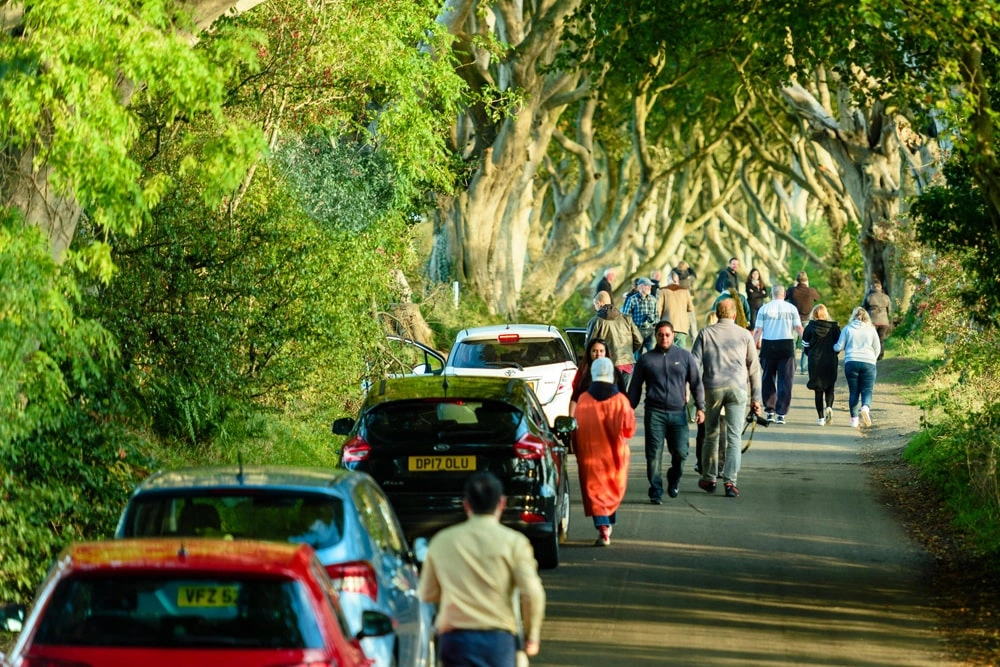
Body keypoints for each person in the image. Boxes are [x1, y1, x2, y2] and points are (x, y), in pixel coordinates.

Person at [419, 471, 546, 667]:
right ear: (501, 503)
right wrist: (532, 634)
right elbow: (532, 592)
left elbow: (427, 594)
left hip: (454, 640)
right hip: (498, 639)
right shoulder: (514, 543)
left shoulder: (441, 541)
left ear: (466, 504)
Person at [627, 320, 705, 503]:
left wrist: (701, 407)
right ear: (655, 336)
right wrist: (628, 409)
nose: (664, 338)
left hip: (678, 413)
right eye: (660, 335)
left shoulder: (685, 357)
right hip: (654, 413)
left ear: (673, 336)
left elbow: (696, 383)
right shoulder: (646, 360)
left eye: (667, 334)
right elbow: (635, 387)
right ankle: (655, 490)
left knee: (681, 452)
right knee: (653, 455)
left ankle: (674, 478)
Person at [691, 299, 762, 498]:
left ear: (717, 313)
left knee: (711, 434)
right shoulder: (744, 335)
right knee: (734, 437)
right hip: (737, 389)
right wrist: (756, 398)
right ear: (734, 315)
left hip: (712, 387)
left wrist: (693, 392)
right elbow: (754, 369)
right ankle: (730, 482)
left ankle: (710, 477)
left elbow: (694, 364)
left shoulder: (706, 333)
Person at [573, 357, 636, 545]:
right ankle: (608, 522)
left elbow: (576, 429)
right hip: (614, 455)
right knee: (610, 488)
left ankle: (602, 526)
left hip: (590, 454)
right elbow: (629, 430)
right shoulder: (621, 401)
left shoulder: (583, 399)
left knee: (595, 491)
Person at [752, 285, 803, 425]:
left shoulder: (764, 308)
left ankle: (770, 411)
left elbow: (758, 331)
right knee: (785, 380)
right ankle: (781, 413)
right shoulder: (791, 309)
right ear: (785, 294)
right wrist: (807, 342)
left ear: (771, 294)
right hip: (786, 345)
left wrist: (750, 347)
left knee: (768, 379)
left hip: (768, 345)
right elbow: (798, 328)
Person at [834, 307, 882, 428]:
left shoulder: (847, 329)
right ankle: (865, 407)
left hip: (851, 362)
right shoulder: (871, 330)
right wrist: (873, 359)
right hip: (869, 362)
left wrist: (832, 347)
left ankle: (854, 420)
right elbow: (877, 348)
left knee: (853, 392)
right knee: (867, 390)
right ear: (867, 317)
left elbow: (839, 347)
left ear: (853, 316)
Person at [586, 290, 643, 387]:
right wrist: (628, 351)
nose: (595, 307)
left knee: (607, 394)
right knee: (622, 395)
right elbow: (639, 340)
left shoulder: (596, 321)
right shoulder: (626, 319)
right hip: (627, 364)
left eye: (595, 304)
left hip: (607, 364)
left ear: (599, 303)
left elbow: (589, 345)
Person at [802, 304, 841, 426]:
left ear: (814, 314)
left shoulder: (810, 327)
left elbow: (805, 345)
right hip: (830, 360)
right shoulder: (834, 328)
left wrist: (811, 354)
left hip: (815, 361)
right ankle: (829, 406)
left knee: (818, 390)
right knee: (830, 388)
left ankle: (820, 419)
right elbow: (838, 345)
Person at [569, 338, 627, 417]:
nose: (598, 354)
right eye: (594, 351)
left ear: (606, 352)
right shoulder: (583, 372)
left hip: (610, 417)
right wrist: (571, 419)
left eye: (601, 351)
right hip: (587, 416)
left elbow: (623, 396)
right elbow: (575, 397)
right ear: (589, 352)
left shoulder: (614, 371)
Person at [785, 271, 820, 374]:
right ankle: (804, 368)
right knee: (806, 343)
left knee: (792, 343)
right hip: (807, 319)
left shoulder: (792, 291)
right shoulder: (811, 291)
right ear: (807, 280)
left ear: (797, 280)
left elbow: (785, 297)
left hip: (793, 320)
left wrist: (795, 286)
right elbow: (817, 298)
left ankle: (791, 367)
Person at [657, 271, 697, 349]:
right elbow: (691, 308)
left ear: (668, 280)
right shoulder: (685, 291)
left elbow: (658, 309)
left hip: (667, 326)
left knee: (666, 351)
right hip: (681, 326)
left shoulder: (662, 291)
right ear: (677, 280)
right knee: (681, 352)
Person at [621, 277, 658, 353]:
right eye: (648, 285)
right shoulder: (632, 299)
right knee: (637, 356)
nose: (650, 287)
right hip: (637, 331)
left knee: (653, 354)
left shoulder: (653, 299)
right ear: (641, 286)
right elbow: (625, 316)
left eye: (650, 286)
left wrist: (655, 324)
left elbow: (657, 315)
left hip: (650, 331)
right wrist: (632, 328)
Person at [863, 280, 892, 360]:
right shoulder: (886, 297)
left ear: (872, 287)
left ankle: (872, 355)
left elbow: (863, 308)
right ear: (880, 287)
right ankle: (880, 355)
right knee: (881, 339)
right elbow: (889, 310)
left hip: (872, 321)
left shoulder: (869, 296)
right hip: (884, 321)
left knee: (871, 339)